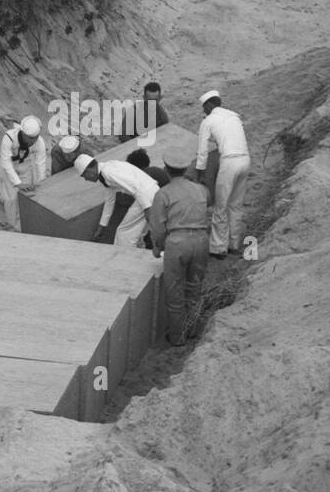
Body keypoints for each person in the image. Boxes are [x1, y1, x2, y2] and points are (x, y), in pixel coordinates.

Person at [147, 148, 210, 347]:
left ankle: (177, 337)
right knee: (194, 288)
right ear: (185, 169)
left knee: (175, 294)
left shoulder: (163, 194)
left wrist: (157, 246)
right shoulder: (200, 189)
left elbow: (157, 226)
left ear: (166, 169)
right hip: (201, 240)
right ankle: (193, 330)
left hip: (177, 243)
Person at [192, 89, 250, 259]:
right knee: (236, 205)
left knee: (221, 206)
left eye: (204, 107)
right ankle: (233, 244)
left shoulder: (208, 121)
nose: (204, 111)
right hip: (245, 160)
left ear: (209, 105)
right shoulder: (234, 116)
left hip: (229, 162)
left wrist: (200, 173)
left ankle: (218, 248)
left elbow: (202, 151)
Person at [75, 153, 160, 249]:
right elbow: (109, 201)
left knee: (123, 233)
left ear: (89, 170)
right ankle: (139, 257)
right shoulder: (105, 174)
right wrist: (101, 227)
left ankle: (124, 258)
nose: (86, 179)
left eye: (84, 176)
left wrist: (147, 208)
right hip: (149, 193)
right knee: (138, 234)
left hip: (146, 195)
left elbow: (135, 185)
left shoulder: (108, 172)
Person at [0, 115, 47, 229]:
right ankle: (12, 225)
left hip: (25, 167)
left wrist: (41, 182)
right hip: (10, 168)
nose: (32, 141)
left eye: (34, 138)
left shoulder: (39, 142)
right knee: (11, 199)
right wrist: (18, 183)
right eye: (29, 138)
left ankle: (26, 224)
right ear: (22, 133)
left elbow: (41, 163)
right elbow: (6, 163)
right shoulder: (9, 137)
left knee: (28, 195)